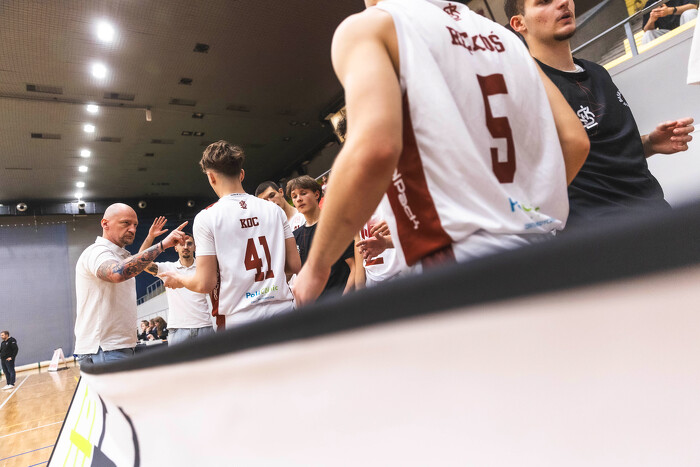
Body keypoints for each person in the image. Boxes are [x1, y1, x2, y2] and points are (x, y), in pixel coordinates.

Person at [293, 0, 589, 305]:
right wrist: (519, 211)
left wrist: (316, 266)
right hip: (545, 248)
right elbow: (575, 141)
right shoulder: (504, 37)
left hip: (464, 262)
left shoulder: (372, 26)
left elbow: (375, 149)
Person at [507, 0, 695, 227]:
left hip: (657, 215)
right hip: (601, 234)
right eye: (544, 1)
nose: (563, 2)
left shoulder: (597, 72)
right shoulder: (526, 91)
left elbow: (600, 156)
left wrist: (649, 143)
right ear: (519, 23)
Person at [159, 141, 301, 329]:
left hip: (241, 320)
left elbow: (204, 283)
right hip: (284, 312)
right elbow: (294, 265)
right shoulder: (274, 210)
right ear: (241, 174)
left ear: (211, 177)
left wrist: (179, 279)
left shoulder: (207, 217)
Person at [74, 203, 187, 364]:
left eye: (135, 225)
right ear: (105, 224)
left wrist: (150, 238)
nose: (132, 229)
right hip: (104, 349)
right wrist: (162, 245)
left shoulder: (120, 256)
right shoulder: (97, 251)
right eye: (125, 223)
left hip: (118, 348)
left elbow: (136, 263)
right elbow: (116, 273)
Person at [139, 218, 214, 344]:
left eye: (189, 244)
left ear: (195, 247)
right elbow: (141, 262)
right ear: (175, 248)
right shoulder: (168, 268)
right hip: (178, 330)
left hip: (204, 327)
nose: (185, 247)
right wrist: (150, 237)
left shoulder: (204, 268)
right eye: (181, 244)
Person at [287, 175, 355, 298]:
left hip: (342, 299)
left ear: (317, 194)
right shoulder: (295, 236)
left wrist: (344, 299)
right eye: (294, 196)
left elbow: (354, 267)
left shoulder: (335, 225)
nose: (299, 199)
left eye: (303, 193)